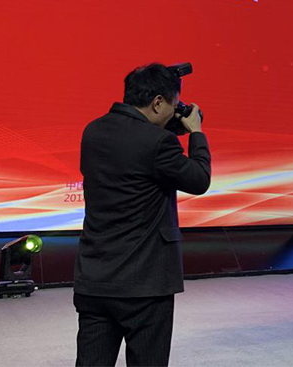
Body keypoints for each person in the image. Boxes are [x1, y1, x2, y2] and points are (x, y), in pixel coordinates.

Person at [73, 64, 211, 366]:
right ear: (158, 102)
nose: (175, 111)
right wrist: (196, 133)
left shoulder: (93, 131)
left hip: (94, 278)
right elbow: (199, 179)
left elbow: (134, 156)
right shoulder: (159, 143)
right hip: (145, 284)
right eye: (174, 104)